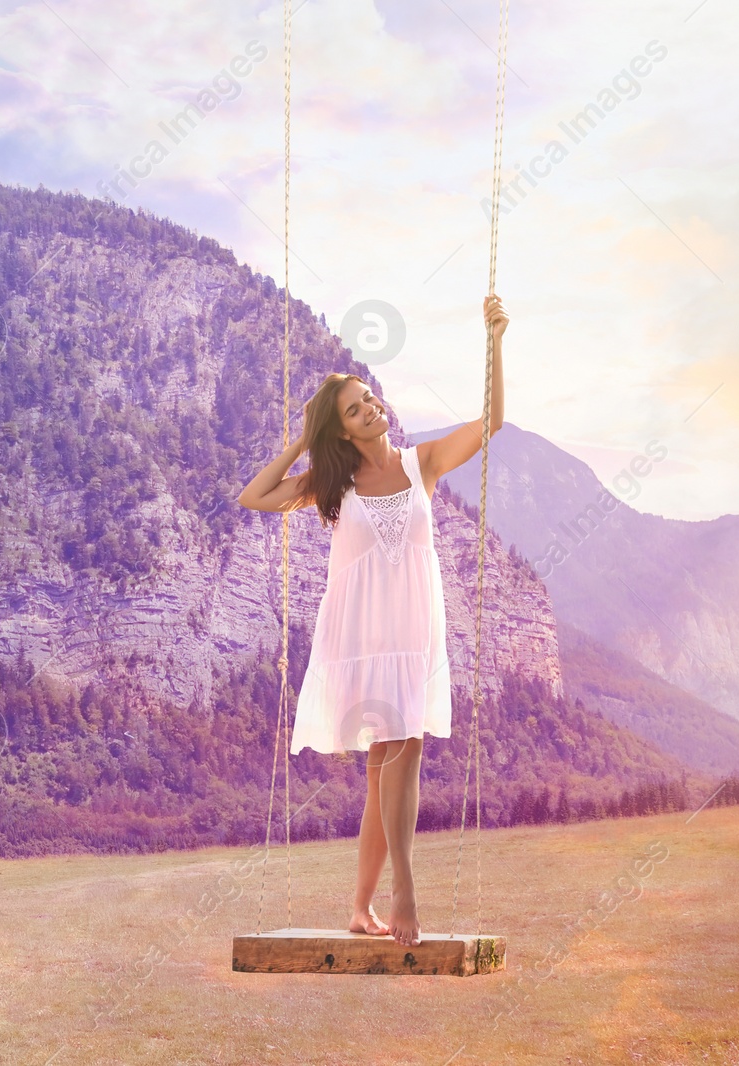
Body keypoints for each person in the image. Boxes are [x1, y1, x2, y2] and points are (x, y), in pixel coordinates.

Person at [236, 294, 509, 947]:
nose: (369, 408)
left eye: (369, 399)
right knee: (399, 751)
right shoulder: (334, 485)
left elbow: (494, 421)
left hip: (413, 633)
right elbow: (255, 496)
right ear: (345, 432)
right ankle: (404, 893)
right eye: (354, 409)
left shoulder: (423, 465)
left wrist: (494, 338)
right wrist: (304, 438)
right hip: (361, 639)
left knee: (389, 764)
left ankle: (362, 908)